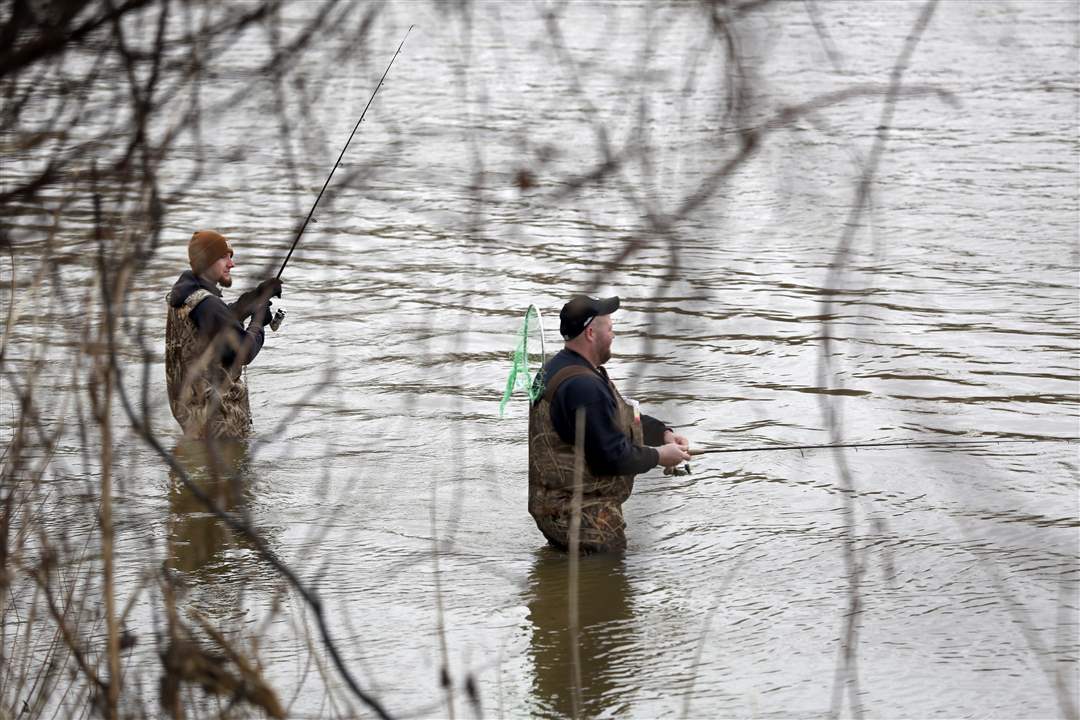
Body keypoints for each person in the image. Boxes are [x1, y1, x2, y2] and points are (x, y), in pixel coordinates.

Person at [528, 294, 690, 553]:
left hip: (556, 514)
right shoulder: (584, 386)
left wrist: (663, 434)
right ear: (591, 333)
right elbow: (612, 457)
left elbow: (613, 416)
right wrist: (660, 456)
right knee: (606, 587)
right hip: (587, 522)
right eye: (611, 329)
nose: (614, 335)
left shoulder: (560, 368)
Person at [165, 230, 282, 439]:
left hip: (196, 420)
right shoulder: (207, 304)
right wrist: (258, 321)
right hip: (220, 427)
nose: (231, 264)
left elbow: (220, 319)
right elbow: (244, 351)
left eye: (231, 257)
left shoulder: (187, 296)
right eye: (223, 257)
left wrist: (255, 297)